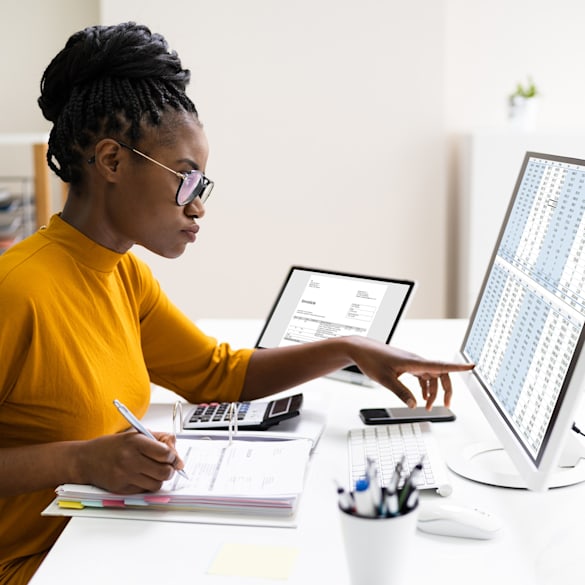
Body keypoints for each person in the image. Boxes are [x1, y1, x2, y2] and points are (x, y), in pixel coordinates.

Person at [0, 22, 473, 584]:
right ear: (111, 161)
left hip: (105, 540)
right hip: (39, 566)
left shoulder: (124, 275)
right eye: (185, 179)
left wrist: (350, 349)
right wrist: (81, 460)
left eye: (203, 186)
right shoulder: (18, 289)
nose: (198, 206)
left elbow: (219, 376)